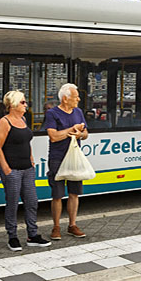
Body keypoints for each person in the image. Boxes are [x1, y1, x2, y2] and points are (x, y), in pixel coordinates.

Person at [0, 90, 51, 252]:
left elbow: (26, 142)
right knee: (12, 203)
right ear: (13, 105)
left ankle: (32, 235)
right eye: (23, 102)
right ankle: (12, 236)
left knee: (32, 201)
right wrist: (6, 169)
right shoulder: (5, 122)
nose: (26, 105)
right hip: (12, 169)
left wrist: (31, 159)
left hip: (27, 168)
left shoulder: (23, 119)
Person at [42, 83, 89, 239]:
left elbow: (85, 134)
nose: (78, 99)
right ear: (65, 99)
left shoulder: (79, 112)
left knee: (74, 193)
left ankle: (72, 225)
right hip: (58, 157)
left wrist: (79, 135)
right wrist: (71, 130)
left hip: (74, 157)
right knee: (57, 194)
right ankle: (56, 227)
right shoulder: (52, 113)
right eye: (76, 97)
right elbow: (53, 137)